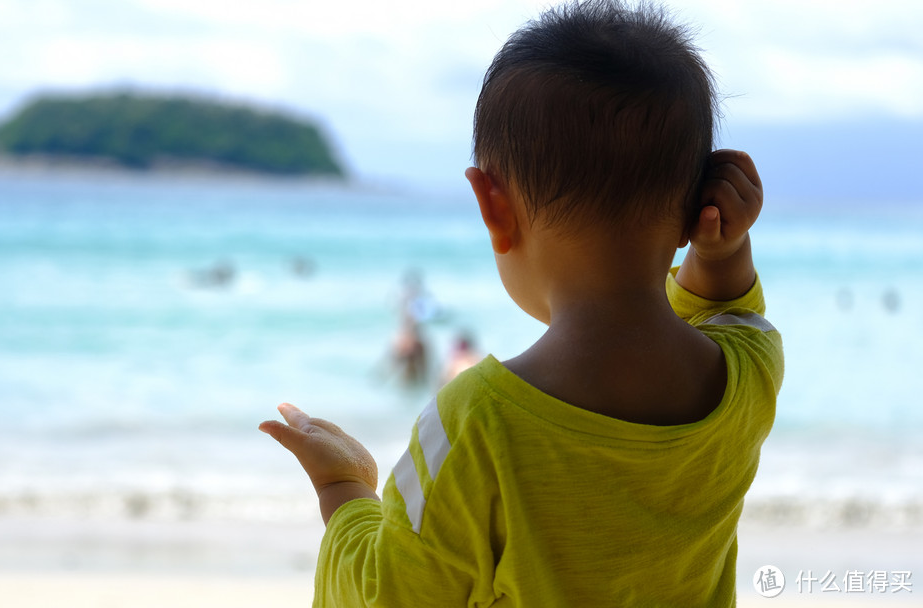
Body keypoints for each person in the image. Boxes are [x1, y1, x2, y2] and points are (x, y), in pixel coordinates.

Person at [259, 1, 783, 605]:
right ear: (695, 205)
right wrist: (723, 250)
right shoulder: (745, 378)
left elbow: (386, 594)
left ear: (492, 206)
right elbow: (731, 314)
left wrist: (342, 489)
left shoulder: (477, 425)